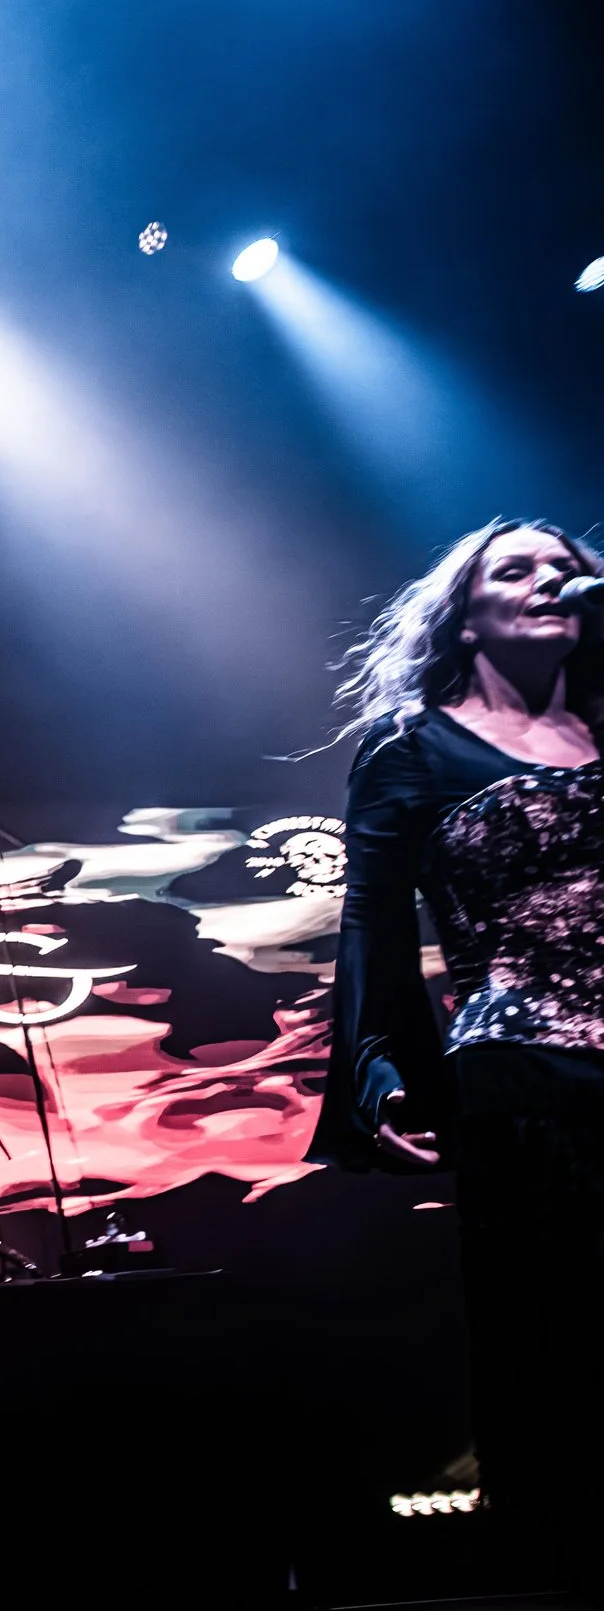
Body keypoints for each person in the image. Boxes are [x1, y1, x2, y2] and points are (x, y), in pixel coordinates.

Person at [307, 520, 600, 1580]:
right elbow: (372, 923)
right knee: (558, 1348)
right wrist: (379, 1068)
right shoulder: (414, 747)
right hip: (524, 1074)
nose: (548, 580)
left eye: (563, 566)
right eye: (513, 568)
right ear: (463, 615)